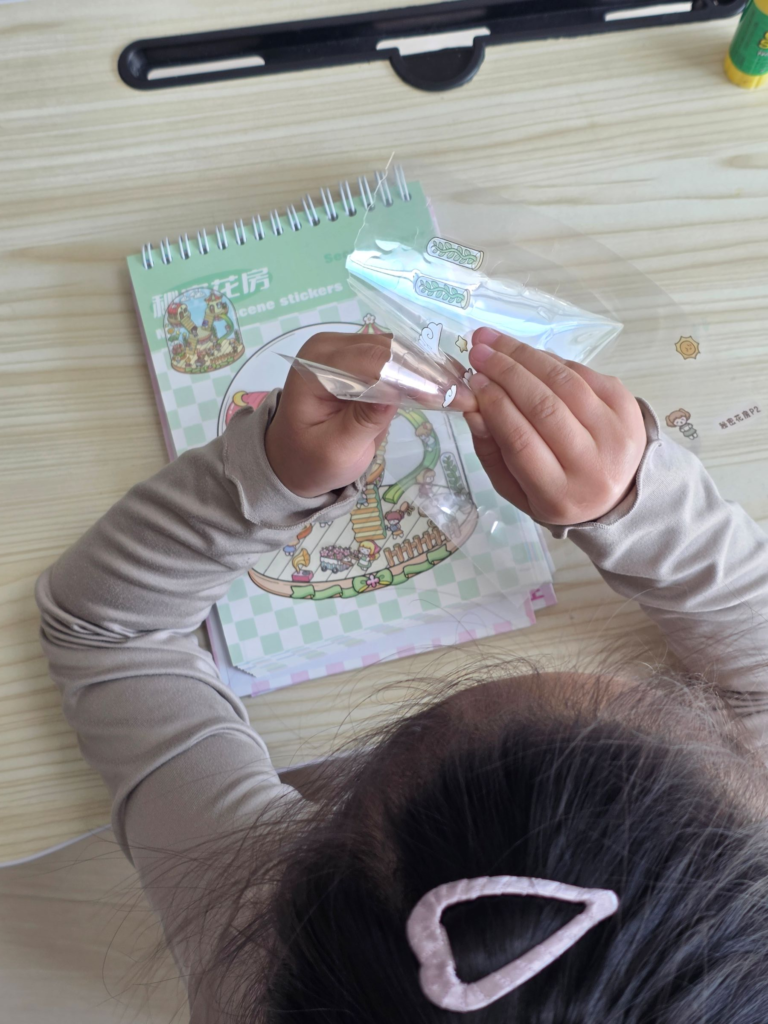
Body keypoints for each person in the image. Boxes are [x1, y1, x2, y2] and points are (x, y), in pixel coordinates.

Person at [36, 327, 768, 1023]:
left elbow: (107, 630)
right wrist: (638, 507)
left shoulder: (261, 952)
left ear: (313, 856)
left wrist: (264, 481)